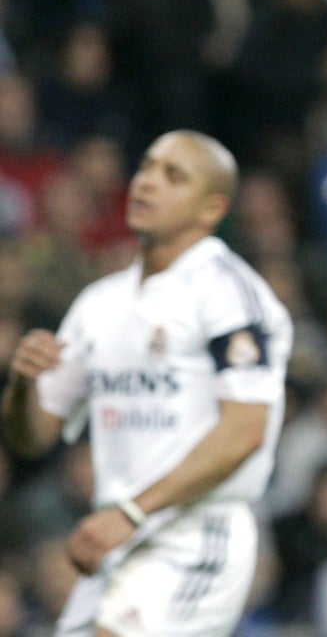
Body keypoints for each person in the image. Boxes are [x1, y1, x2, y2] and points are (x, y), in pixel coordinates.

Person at [0, 129, 293, 636]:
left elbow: (245, 430)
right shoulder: (100, 303)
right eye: (146, 167)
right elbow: (33, 437)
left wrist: (132, 512)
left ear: (211, 209)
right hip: (114, 538)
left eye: (173, 176)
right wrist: (23, 384)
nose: (148, 183)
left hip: (196, 533)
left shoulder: (228, 292)